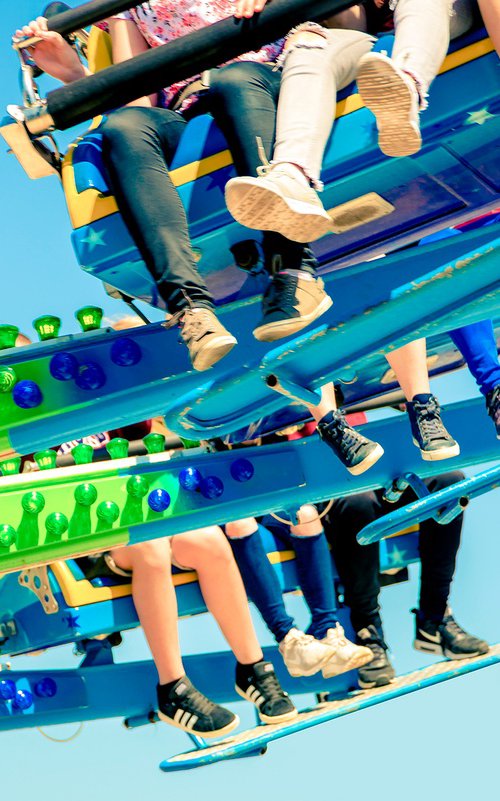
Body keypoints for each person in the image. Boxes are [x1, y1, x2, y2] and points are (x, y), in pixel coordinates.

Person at [15, 3, 332, 372]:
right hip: (189, 109)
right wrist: (75, 74)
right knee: (126, 126)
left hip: (262, 80)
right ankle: (190, 309)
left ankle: (293, 270)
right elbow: (137, 96)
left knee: (234, 80)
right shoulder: (132, 8)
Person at [224, 0, 476, 239]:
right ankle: (293, 177)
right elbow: (352, 23)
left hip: (441, 14)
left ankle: (406, 88)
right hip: (375, 39)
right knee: (310, 49)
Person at [324, 472, 489, 688]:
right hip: (331, 493)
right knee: (357, 501)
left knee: (449, 483)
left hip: (386, 481)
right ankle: (368, 632)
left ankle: (434, 618)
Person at [225, 505, 373, 678]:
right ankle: (288, 640)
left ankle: (328, 631)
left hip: (266, 505)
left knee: (305, 515)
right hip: (223, 511)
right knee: (239, 523)